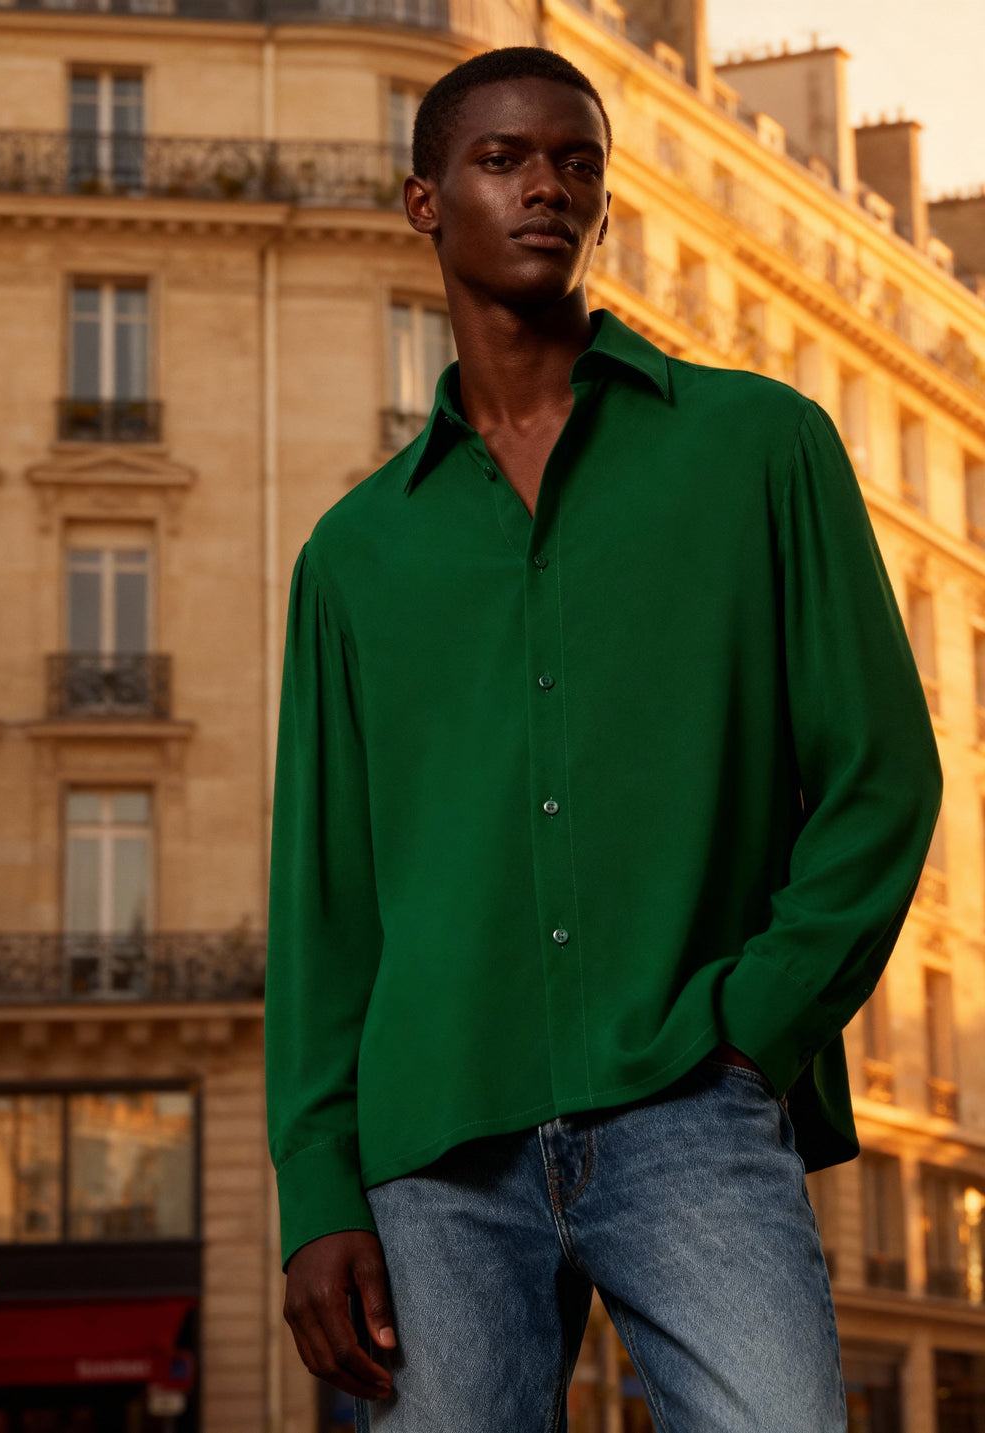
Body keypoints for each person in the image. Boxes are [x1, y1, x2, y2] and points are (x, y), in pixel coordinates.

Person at [265, 44, 942, 1433]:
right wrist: (316, 1191)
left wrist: (753, 1028)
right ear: (422, 202)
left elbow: (882, 771)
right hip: (434, 1137)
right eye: (503, 160)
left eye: (576, 162)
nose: (547, 189)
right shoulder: (353, 555)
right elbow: (325, 906)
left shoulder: (761, 448)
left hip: (691, 1097)